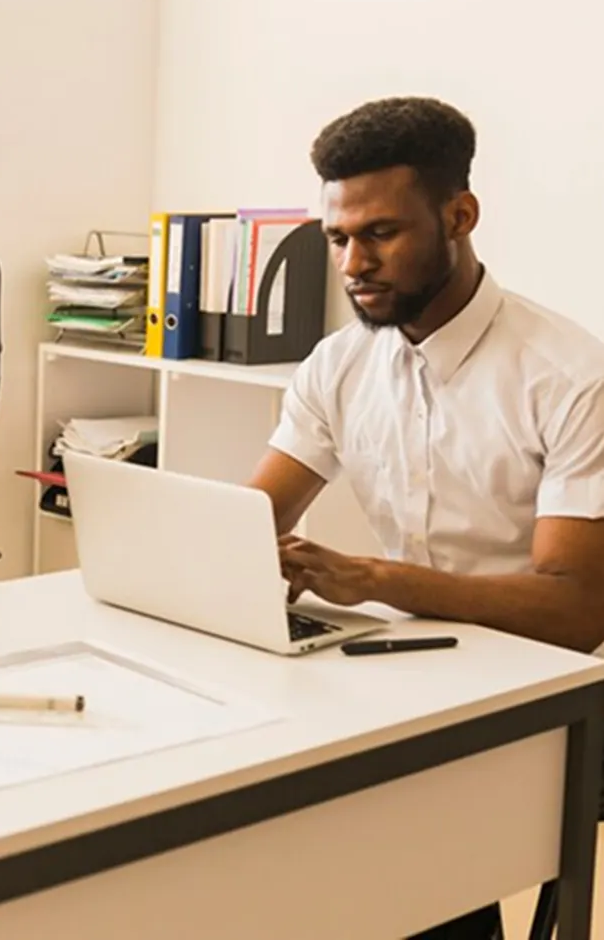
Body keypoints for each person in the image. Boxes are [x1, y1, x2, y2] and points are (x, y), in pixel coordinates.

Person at [248, 95, 604, 940]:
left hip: (540, 694)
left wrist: (376, 580)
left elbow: (575, 612)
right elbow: (248, 518)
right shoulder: (340, 364)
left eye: (380, 234)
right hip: (405, 669)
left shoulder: (568, 376)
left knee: (394, 854)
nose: (352, 263)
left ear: (460, 215)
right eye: (338, 239)